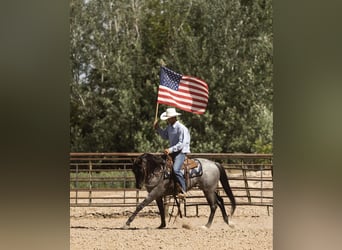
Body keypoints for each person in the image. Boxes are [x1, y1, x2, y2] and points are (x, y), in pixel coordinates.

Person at [153, 108, 190, 197]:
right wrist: (158, 128)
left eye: (169, 118)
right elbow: (165, 136)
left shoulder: (181, 128)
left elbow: (182, 143)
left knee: (176, 169)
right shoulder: (169, 127)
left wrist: (170, 150)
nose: (168, 120)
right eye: (167, 118)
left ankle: (183, 190)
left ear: (174, 117)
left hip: (181, 151)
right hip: (173, 151)